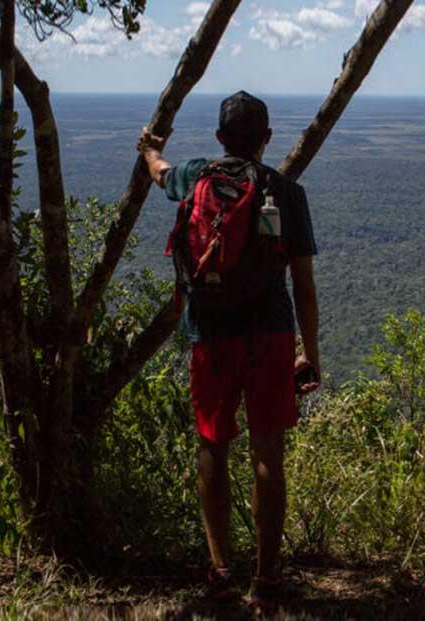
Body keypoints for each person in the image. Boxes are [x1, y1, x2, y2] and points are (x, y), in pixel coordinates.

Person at [138, 91, 321, 604]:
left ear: (220, 138)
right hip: (271, 334)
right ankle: (267, 577)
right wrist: (311, 352)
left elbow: (160, 171)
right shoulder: (286, 191)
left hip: (211, 333)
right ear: (266, 138)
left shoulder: (197, 176)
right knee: (268, 452)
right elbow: (303, 285)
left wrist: (148, 149)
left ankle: (220, 568)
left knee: (212, 446)